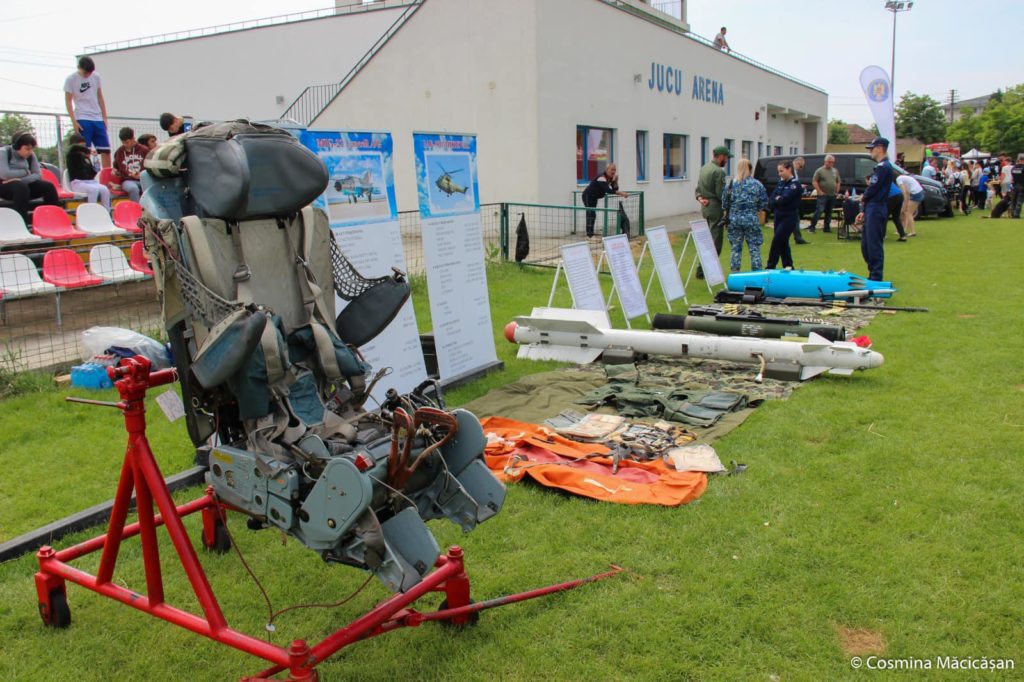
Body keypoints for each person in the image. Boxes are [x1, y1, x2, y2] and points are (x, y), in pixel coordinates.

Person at [0, 132, 60, 223]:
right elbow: (5, 174)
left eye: (31, 149)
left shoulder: (31, 155)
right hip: (4, 186)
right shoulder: (3, 152)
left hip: (23, 185)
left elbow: (38, 175)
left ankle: (49, 220)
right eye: (27, 149)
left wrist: (21, 179)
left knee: (48, 187)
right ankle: (20, 222)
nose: (30, 151)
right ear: (17, 146)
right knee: (21, 187)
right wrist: (26, 172)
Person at [721, 158, 767, 272]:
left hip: (734, 220)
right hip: (751, 219)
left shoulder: (731, 185)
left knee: (735, 249)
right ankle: (757, 273)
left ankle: (735, 273)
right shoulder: (757, 184)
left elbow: (725, 204)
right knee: (754, 248)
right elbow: (763, 203)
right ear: (750, 169)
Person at [64, 56, 111, 169]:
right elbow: (68, 101)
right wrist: (74, 121)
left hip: (97, 117)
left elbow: (100, 96)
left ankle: (106, 174)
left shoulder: (96, 77)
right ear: (79, 67)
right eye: (85, 72)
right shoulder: (71, 79)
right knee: (85, 149)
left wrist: (104, 117)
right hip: (82, 117)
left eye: (90, 72)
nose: (88, 75)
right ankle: (85, 172)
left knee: (105, 149)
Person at [859, 137, 893, 281]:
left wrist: (863, 197)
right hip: (872, 207)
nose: (870, 151)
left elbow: (873, 188)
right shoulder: (881, 166)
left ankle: (876, 276)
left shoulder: (883, 167)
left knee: (873, 244)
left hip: (876, 207)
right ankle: (872, 272)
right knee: (866, 245)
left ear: (880, 148)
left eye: (872, 148)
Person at [695, 145, 731, 277]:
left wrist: (700, 198)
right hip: (715, 207)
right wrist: (729, 206)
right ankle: (703, 270)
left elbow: (698, 188)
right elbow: (721, 194)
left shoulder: (704, 168)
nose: (727, 160)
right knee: (716, 241)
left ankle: (703, 269)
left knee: (707, 239)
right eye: (726, 157)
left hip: (705, 207)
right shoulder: (718, 172)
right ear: (721, 156)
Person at [766, 160, 801, 270]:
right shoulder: (781, 183)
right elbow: (772, 198)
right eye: (778, 171)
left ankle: (770, 266)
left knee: (777, 240)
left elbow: (785, 199)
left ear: (789, 169)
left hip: (789, 216)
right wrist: (777, 199)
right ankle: (788, 265)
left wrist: (779, 199)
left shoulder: (795, 184)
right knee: (783, 241)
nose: (779, 174)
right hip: (778, 215)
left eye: (781, 171)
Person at [581, 164, 627, 238]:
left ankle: (590, 234)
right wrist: (621, 193)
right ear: (606, 170)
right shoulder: (601, 177)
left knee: (592, 214)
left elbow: (615, 189)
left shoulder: (610, 178)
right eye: (611, 169)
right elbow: (608, 190)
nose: (613, 172)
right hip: (588, 196)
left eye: (614, 170)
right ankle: (589, 235)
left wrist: (615, 181)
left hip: (594, 197)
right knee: (591, 214)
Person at [66, 133, 110, 209]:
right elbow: (74, 148)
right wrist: (87, 151)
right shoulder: (71, 156)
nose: (83, 148)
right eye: (81, 146)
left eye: (84, 146)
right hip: (78, 183)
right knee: (93, 190)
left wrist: (95, 160)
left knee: (105, 189)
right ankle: (91, 211)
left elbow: (93, 173)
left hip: (90, 182)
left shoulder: (85, 157)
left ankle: (107, 211)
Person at [112, 127, 148, 202]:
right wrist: (114, 171)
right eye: (123, 142)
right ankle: (136, 208)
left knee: (150, 187)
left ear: (133, 139)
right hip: (127, 180)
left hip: (143, 179)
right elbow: (115, 166)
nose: (125, 144)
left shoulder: (144, 150)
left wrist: (141, 175)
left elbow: (149, 167)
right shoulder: (120, 151)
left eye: (127, 142)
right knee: (133, 188)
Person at [808, 154, 841, 233]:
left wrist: (837, 191)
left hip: (832, 195)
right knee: (819, 211)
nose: (831, 164)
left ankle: (827, 228)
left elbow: (838, 181)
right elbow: (814, 181)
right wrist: (819, 191)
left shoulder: (835, 171)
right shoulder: (819, 171)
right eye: (829, 162)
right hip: (823, 195)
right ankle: (812, 227)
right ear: (825, 161)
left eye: (832, 162)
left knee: (829, 212)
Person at [896, 173, 923, 237]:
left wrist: (904, 205)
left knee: (908, 213)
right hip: (920, 192)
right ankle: (904, 230)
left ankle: (913, 232)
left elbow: (904, 192)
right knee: (908, 212)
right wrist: (905, 204)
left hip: (915, 193)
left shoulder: (898, 179)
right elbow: (907, 193)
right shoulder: (904, 178)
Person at [791, 156, 808, 243]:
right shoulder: (790, 171)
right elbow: (791, 185)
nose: (800, 168)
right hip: (791, 199)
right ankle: (798, 238)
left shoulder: (795, 172)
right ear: (797, 163)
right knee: (794, 219)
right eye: (801, 166)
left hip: (795, 199)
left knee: (795, 219)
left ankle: (798, 237)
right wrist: (800, 187)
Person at [1010, 153, 1024, 219]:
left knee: (1014, 201)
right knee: (1019, 201)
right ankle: (1016, 214)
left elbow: (1012, 177)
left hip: (1015, 186)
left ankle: (1012, 213)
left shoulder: (1013, 168)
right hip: (1022, 186)